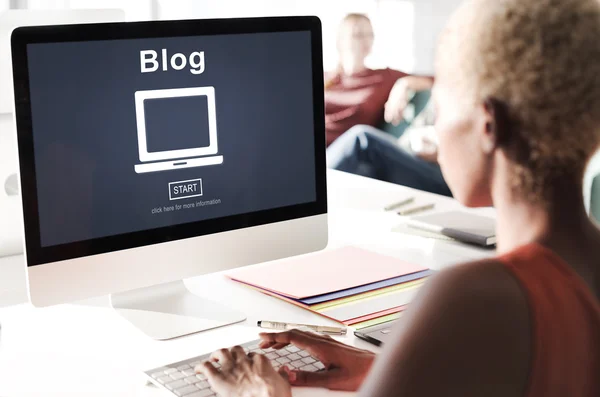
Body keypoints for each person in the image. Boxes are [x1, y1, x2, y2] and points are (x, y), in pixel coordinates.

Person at [196, 0, 600, 395]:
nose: (437, 129)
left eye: (440, 107)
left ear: (487, 125)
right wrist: (388, 370)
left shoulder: (475, 296)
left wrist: (258, 392)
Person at [324, 13, 434, 146]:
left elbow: (435, 80)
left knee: (360, 135)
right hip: (313, 149)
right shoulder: (324, 78)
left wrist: (404, 83)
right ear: (340, 41)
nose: (366, 40)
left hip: (351, 150)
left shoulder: (383, 78)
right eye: (358, 35)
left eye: (370, 35)